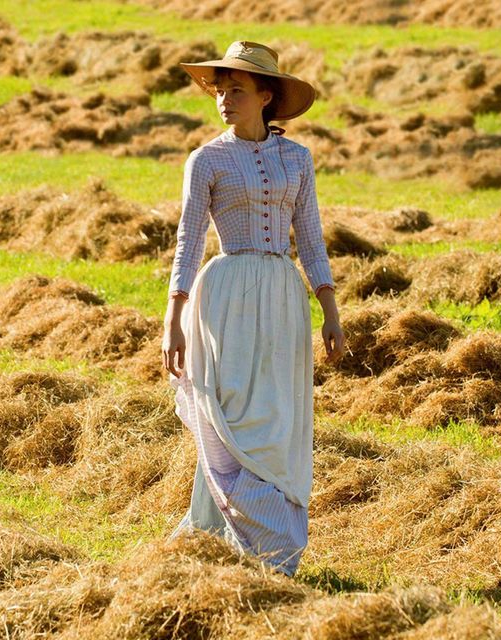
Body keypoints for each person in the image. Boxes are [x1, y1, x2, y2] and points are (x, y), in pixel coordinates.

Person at [162, 40, 345, 577]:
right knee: (232, 410)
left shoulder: (298, 159)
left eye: (236, 90)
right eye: (220, 90)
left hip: (284, 298)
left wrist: (330, 309)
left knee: (276, 415)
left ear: (266, 96)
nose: (224, 99)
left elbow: (310, 238)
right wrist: (173, 319)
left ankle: (270, 542)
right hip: (224, 295)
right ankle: (235, 531)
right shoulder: (206, 160)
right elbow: (188, 241)